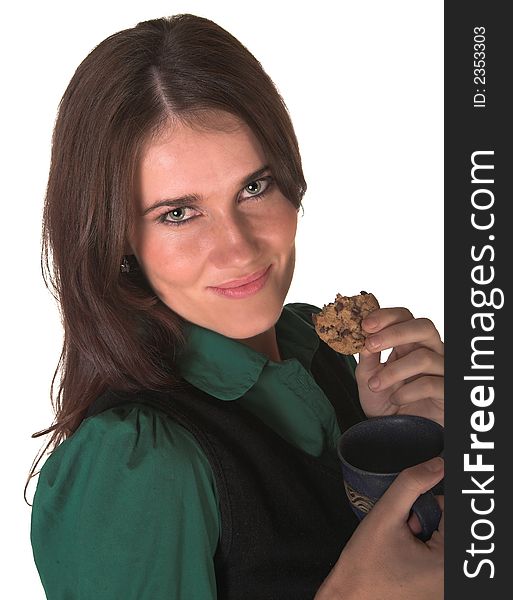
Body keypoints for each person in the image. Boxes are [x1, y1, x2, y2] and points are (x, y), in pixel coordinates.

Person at [29, 13, 444, 600]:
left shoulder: (323, 356)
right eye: (178, 213)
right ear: (117, 242)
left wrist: (406, 446)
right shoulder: (139, 464)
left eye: (254, 187)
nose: (239, 249)